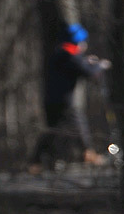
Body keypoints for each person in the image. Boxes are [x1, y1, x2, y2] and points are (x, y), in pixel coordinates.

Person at [29, 23, 111, 171]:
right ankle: (88, 152)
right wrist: (101, 66)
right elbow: (88, 72)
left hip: (52, 100)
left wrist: (88, 62)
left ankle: (36, 162)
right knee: (79, 124)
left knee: (53, 131)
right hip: (63, 101)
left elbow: (80, 65)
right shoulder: (69, 55)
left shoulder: (60, 54)